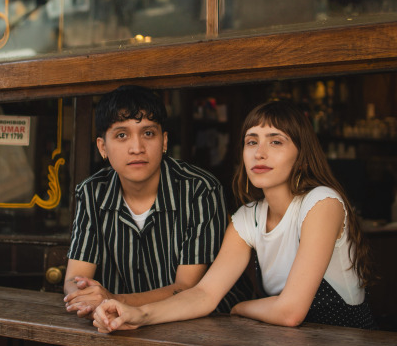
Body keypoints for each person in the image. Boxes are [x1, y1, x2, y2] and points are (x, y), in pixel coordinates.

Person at [92, 99, 376, 332]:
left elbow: (289, 312)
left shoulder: (322, 202)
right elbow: (204, 294)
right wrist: (140, 315)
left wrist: (240, 307)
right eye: (251, 142)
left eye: (276, 142)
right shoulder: (247, 218)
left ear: (301, 156)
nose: (259, 153)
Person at [64, 85, 252, 318]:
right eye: (122, 135)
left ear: (164, 142)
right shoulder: (92, 192)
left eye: (148, 134)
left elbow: (187, 287)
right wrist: (83, 297)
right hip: (119, 321)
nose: (137, 148)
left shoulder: (199, 189)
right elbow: (74, 278)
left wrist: (113, 299)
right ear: (103, 147)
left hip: (205, 323)